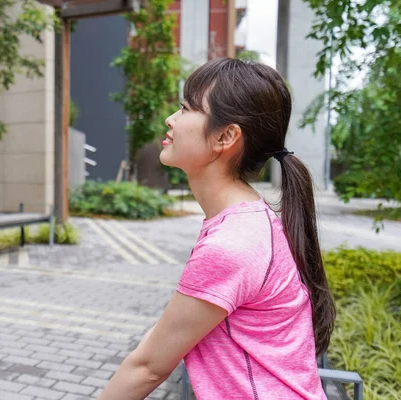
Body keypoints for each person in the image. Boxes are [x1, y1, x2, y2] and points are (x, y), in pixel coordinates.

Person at [97, 58, 336, 400]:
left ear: (226, 136)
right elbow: (168, 335)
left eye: (185, 108)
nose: (171, 119)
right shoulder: (246, 222)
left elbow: (147, 369)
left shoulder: (233, 243)